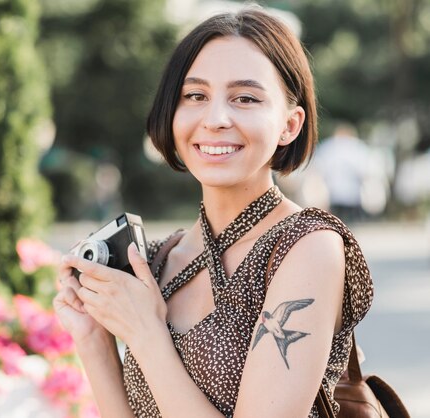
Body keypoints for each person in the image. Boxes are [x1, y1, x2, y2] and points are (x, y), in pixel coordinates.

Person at [54, 7, 373, 418]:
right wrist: (94, 338)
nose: (216, 119)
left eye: (245, 98)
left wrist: (147, 333)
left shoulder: (308, 246)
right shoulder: (158, 259)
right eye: (195, 96)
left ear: (289, 125)